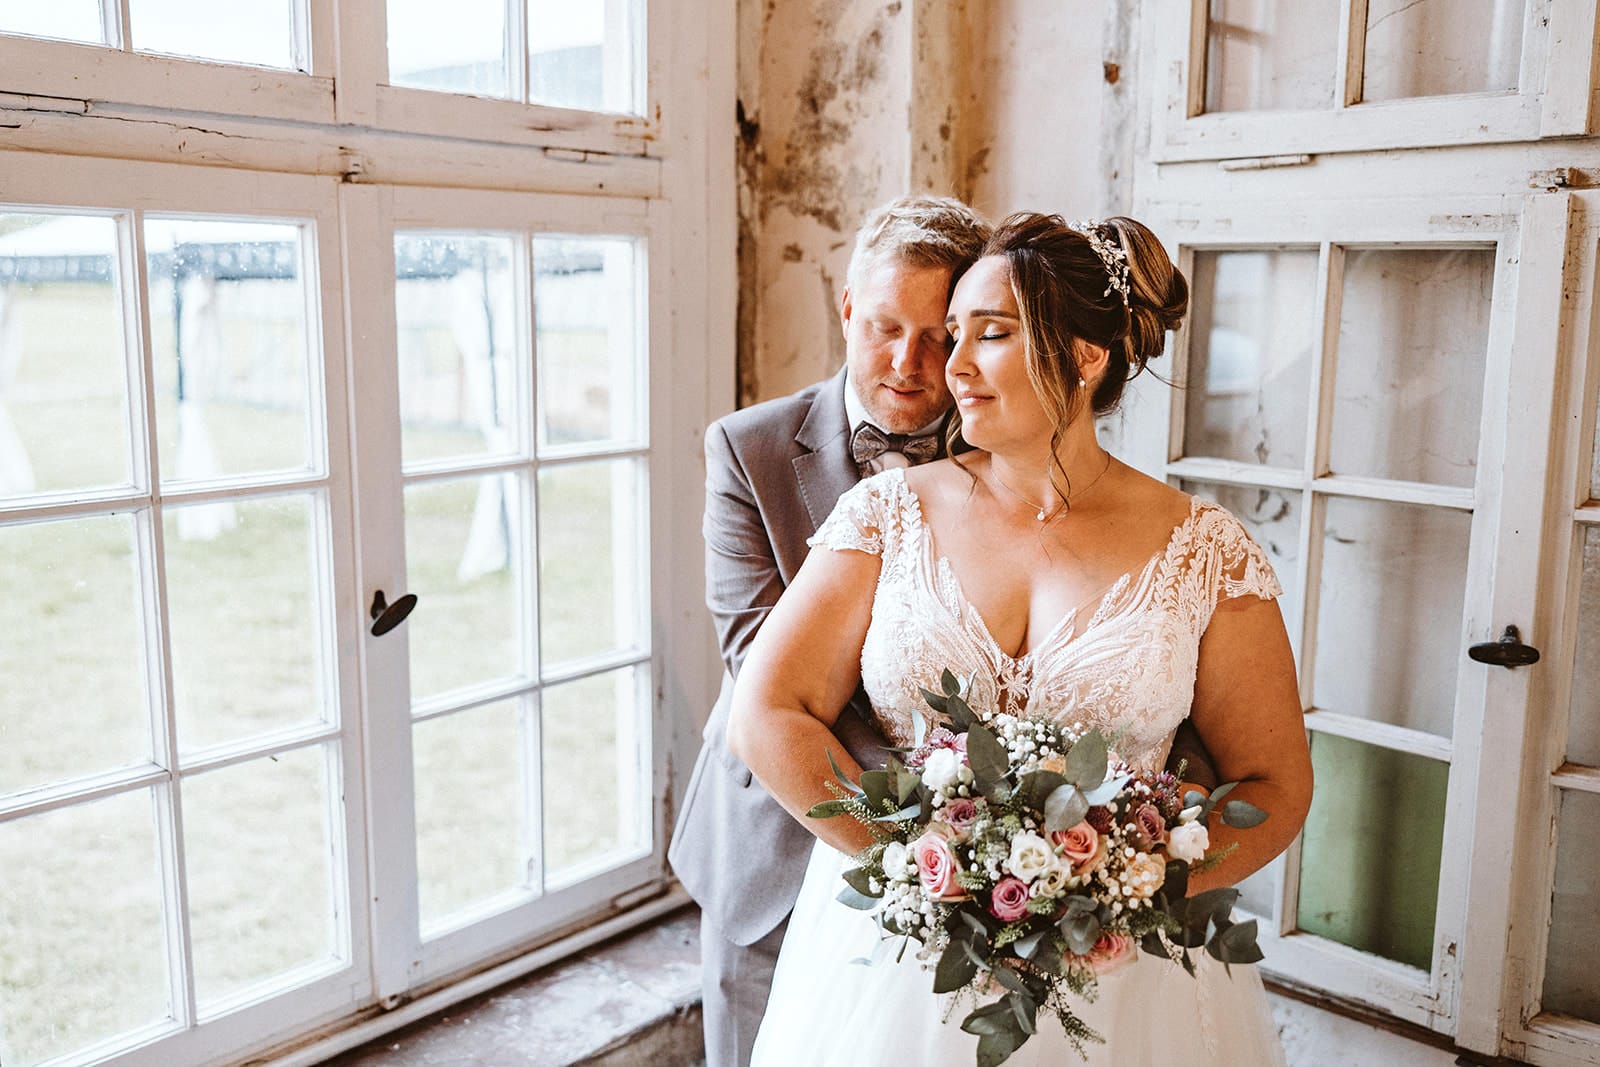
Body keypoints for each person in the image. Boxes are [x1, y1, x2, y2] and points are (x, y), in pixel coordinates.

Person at [727, 212, 1314, 1065]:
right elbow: (769, 710)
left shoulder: (1205, 551)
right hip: (894, 962)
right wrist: (919, 864)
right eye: (954, 333)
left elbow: (1276, 782)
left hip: (1123, 977)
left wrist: (1131, 880)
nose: (950, 366)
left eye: (988, 335)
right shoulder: (888, 515)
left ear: (1085, 356)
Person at [667, 195, 993, 1067]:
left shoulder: (1005, 451)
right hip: (774, 834)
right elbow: (756, 652)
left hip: (962, 844)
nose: (908, 362)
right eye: (886, 325)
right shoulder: (749, 450)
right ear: (847, 306)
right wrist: (925, 804)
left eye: (939, 335)